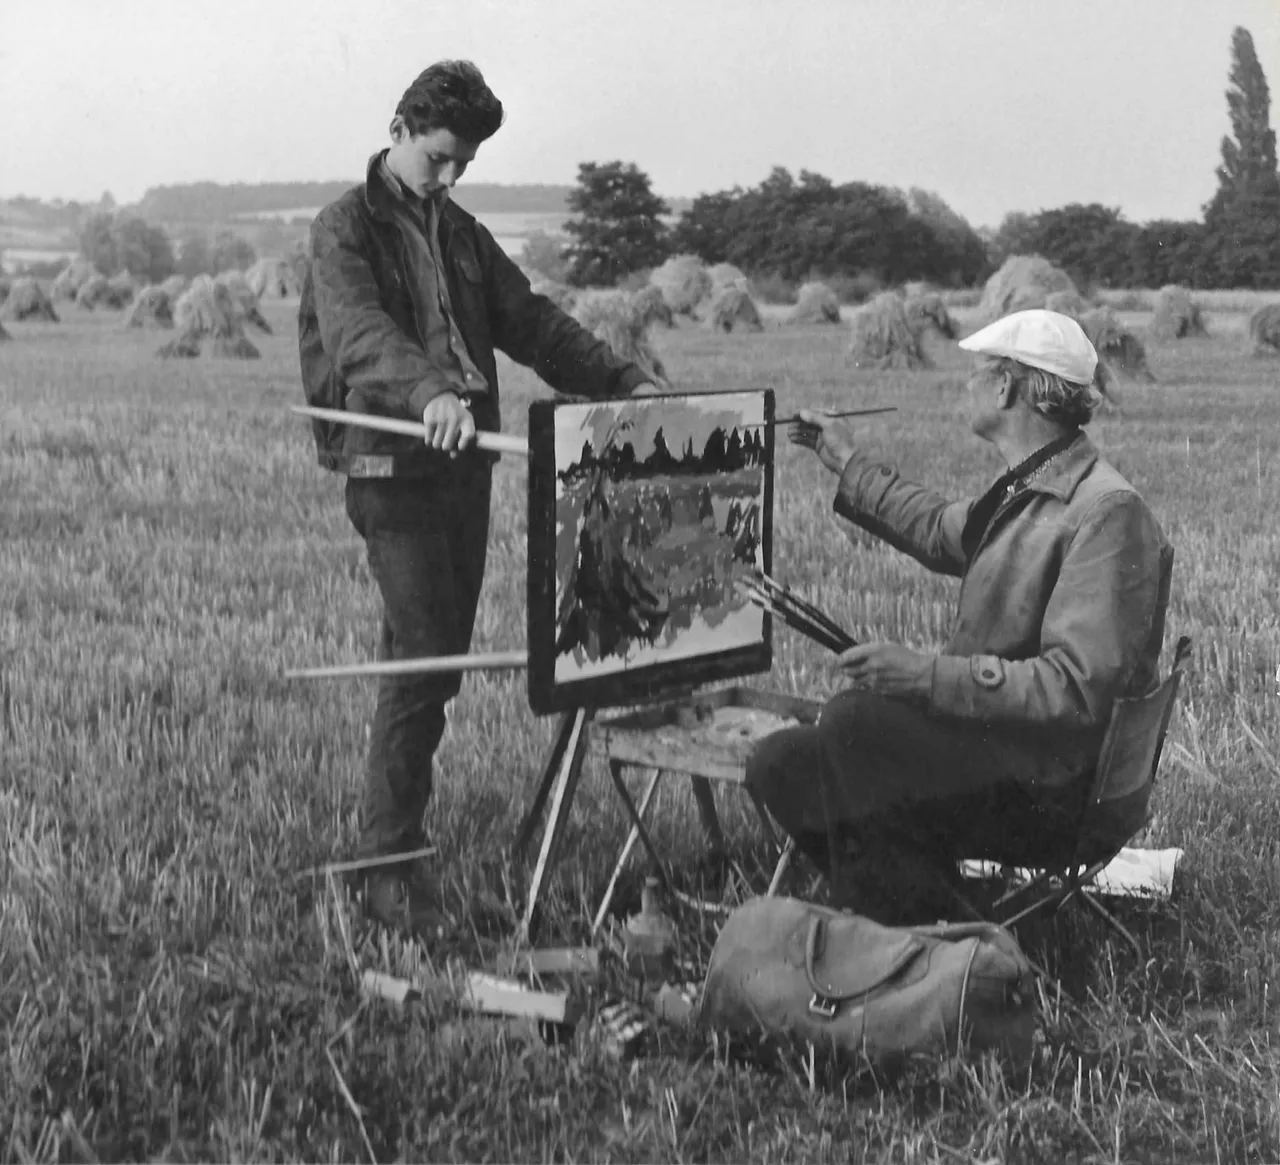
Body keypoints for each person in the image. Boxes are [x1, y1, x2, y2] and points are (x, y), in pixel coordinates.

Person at [298, 60, 659, 935]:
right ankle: (386, 867)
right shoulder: (343, 228)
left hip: (464, 468)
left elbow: (529, 322)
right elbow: (357, 338)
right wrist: (429, 396)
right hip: (393, 465)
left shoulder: (460, 233)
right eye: (440, 158)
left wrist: (620, 381)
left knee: (437, 660)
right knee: (422, 655)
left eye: (465, 164)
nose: (451, 178)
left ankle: (395, 840)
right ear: (399, 129)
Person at [746, 309, 1173, 923]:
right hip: (1010, 754)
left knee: (854, 721)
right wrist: (847, 462)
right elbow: (941, 529)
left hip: (1053, 788)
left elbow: (1077, 690)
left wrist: (924, 677)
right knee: (778, 766)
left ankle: (922, 938)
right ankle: (931, 907)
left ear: (1008, 388)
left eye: (978, 372)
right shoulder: (1030, 485)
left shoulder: (1106, 511)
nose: (965, 383)